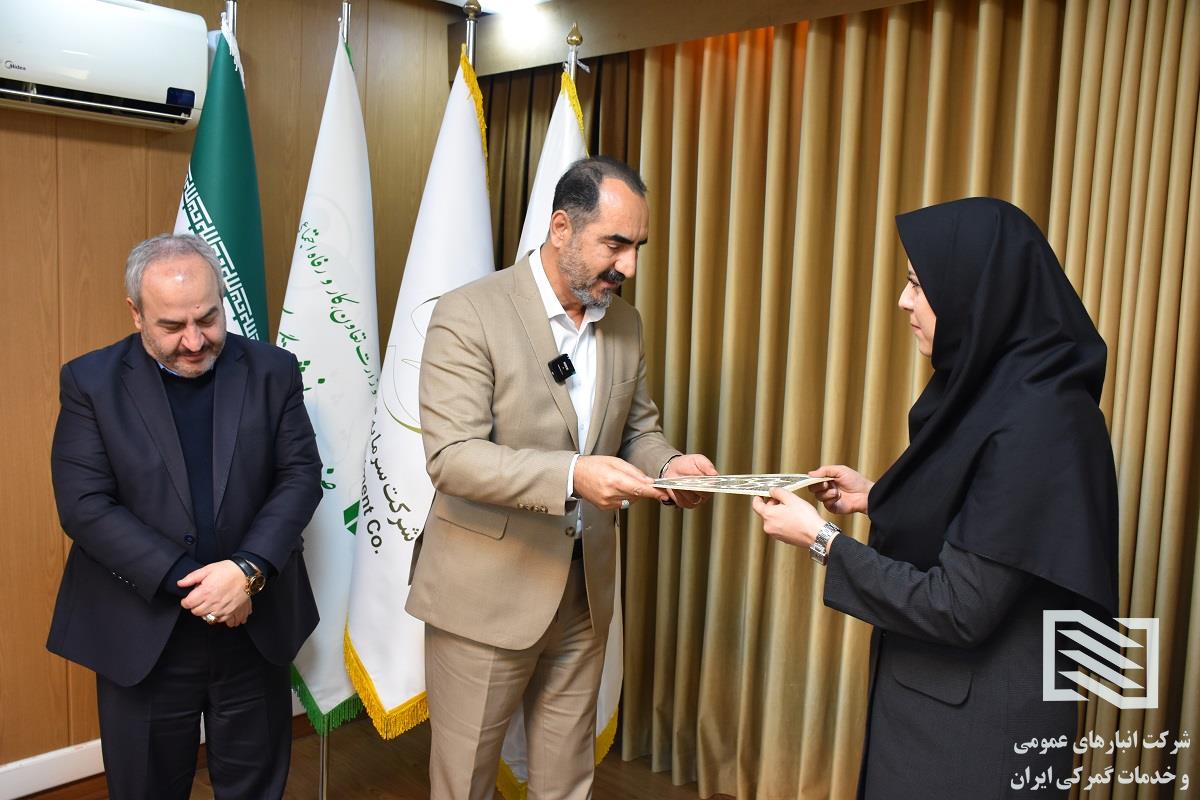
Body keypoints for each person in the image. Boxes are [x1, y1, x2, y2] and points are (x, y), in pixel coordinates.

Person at [752, 197, 1119, 798]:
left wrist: (821, 541)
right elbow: (991, 513)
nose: (904, 301)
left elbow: (959, 606)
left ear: (978, 294)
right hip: (943, 713)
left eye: (919, 285)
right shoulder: (1003, 391)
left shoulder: (1043, 423)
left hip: (976, 742)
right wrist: (879, 496)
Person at [408, 156, 717, 799]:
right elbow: (453, 457)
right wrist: (574, 475)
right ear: (560, 228)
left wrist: (670, 466)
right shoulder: (469, 314)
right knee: (464, 785)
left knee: (567, 783)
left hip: (584, 593)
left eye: (638, 247)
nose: (629, 266)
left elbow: (638, 431)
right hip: (485, 597)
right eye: (615, 244)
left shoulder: (624, 323)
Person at [47, 234, 322, 799]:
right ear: (136, 313)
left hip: (253, 623)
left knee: (255, 788)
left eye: (208, 318)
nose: (195, 341)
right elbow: (84, 505)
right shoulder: (90, 382)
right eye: (172, 326)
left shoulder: (272, 370)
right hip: (143, 632)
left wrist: (246, 572)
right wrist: (201, 586)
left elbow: (299, 476)